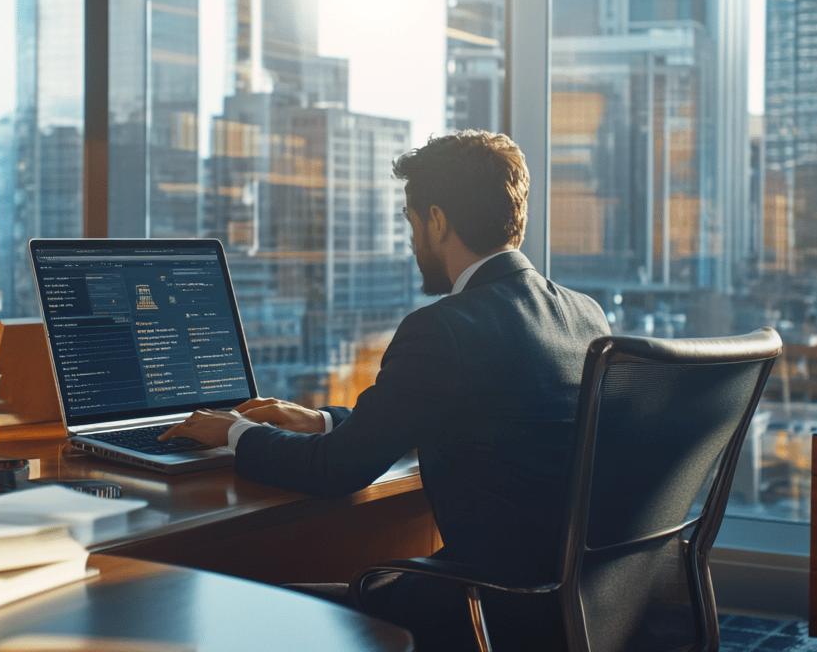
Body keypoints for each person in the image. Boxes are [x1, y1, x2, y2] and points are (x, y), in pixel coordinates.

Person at [160, 130, 609, 650]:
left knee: (242, 610)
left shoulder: (445, 329)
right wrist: (323, 420)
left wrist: (235, 432)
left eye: (411, 221)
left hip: (482, 608)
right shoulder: (585, 316)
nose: (412, 239)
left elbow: (336, 470)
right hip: (579, 603)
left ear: (436, 220)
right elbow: (478, 416)